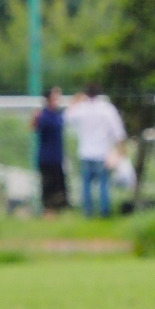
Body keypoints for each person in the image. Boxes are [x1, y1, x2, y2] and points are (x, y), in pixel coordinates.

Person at [64, 83, 126, 217]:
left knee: (86, 185)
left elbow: (67, 118)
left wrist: (75, 101)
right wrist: (121, 149)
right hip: (102, 152)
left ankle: (88, 211)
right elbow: (118, 130)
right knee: (103, 184)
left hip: (85, 152)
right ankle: (104, 211)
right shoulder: (106, 109)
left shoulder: (81, 108)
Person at [31, 88, 69, 213]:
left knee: (60, 185)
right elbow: (34, 127)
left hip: (58, 157)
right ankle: (48, 210)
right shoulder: (44, 115)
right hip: (47, 157)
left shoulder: (58, 115)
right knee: (48, 185)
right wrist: (35, 118)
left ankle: (59, 209)